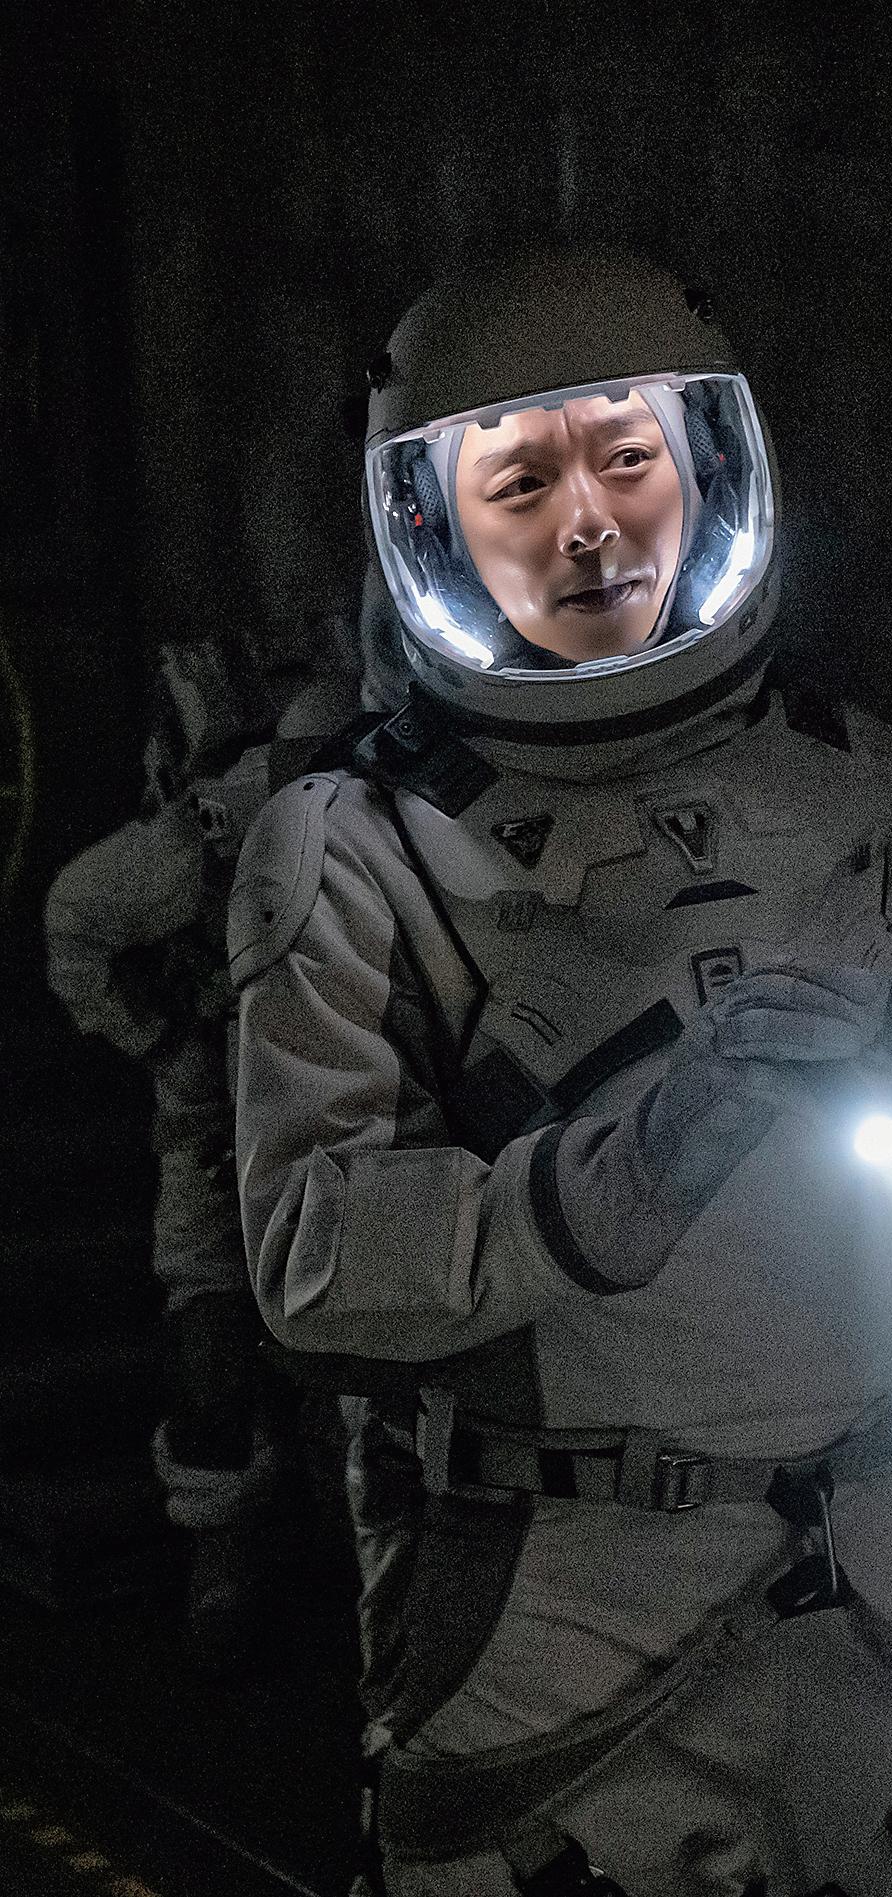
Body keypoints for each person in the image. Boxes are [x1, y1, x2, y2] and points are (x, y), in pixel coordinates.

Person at [230, 246, 892, 1895]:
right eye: (519, 482)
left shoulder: (874, 801)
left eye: (626, 457)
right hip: (539, 1610)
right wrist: (628, 1170)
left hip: (849, 1582)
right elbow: (311, 1263)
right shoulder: (354, 848)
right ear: (430, 524)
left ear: (711, 466)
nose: (588, 523)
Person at [44, 618, 369, 1674]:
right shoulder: (223, 828)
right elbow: (76, 917)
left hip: (345, 1120)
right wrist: (165, 1041)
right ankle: (222, 1562)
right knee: (211, 1344)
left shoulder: (402, 821)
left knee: (359, 1353)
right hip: (221, 1120)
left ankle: (359, 1564)